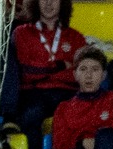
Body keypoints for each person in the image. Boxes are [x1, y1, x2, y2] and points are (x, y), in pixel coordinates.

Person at [7, 0, 86, 132]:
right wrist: (60, 65)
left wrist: (44, 70)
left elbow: (79, 74)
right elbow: (28, 72)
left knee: (77, 117)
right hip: (33, 93)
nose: (48, 3)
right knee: (31, 116)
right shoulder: (21, 33)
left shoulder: (75, 37)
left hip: (68, 93)